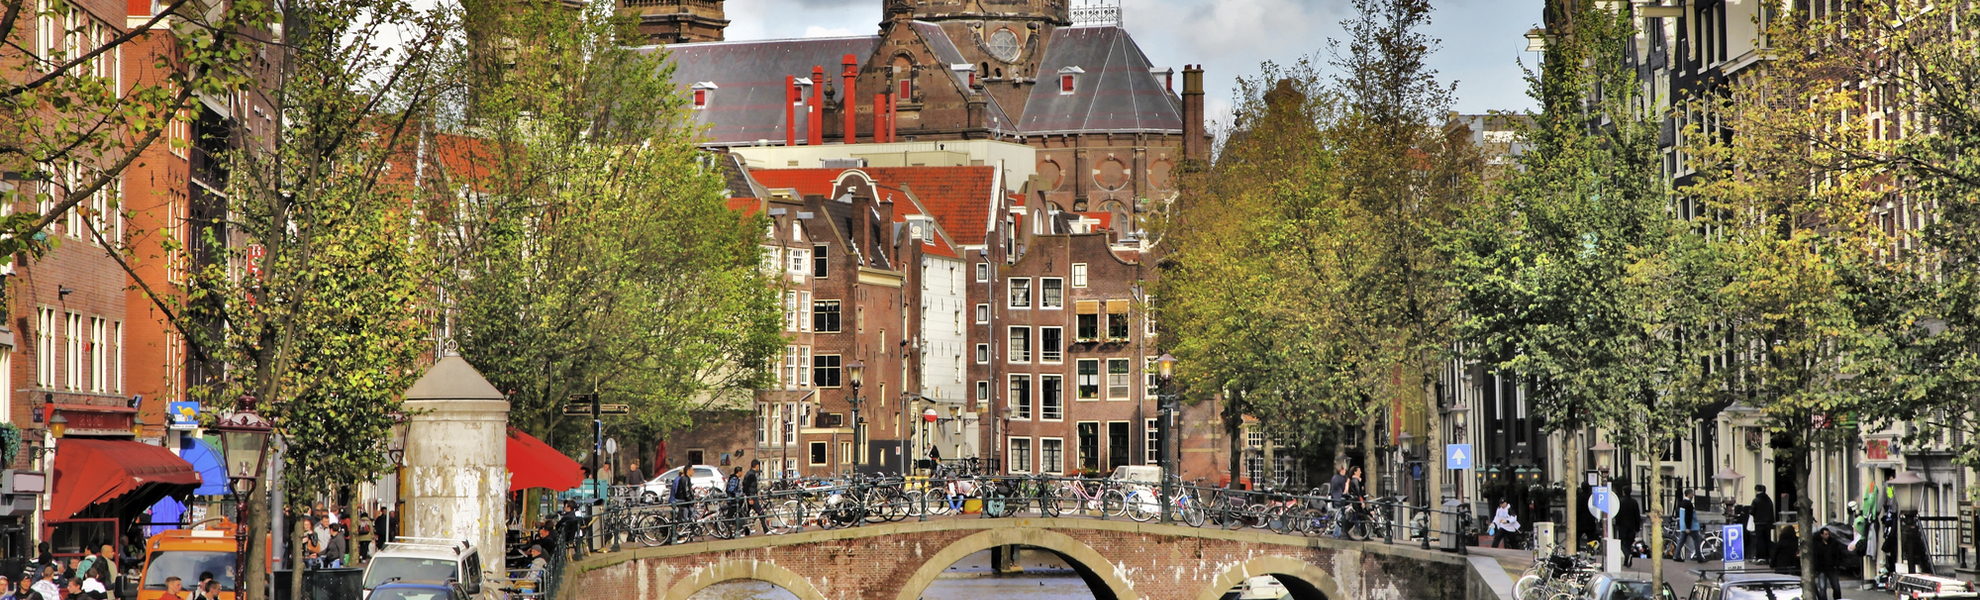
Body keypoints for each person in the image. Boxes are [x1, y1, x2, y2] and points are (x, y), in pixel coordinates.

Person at [1613, 485, 1642, 567]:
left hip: (1623, 526)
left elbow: (1618, 514)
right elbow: (1637, 515)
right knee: (1629, 543)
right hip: (1632, 526)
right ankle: (1627, 561)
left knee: (1622, 543)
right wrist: (1637, 527)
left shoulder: (1621, 502)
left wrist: (1617, 523)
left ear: (1623, 492)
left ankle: (1627, 555)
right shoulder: (1634, 502)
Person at [1674, 489, 1704, 562]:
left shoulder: (1682, 503)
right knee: (1696, 541)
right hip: (1692, 527)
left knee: (1681, 541)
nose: (1693, 495)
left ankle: (1676, 555)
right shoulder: (1689, 504)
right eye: (1692, 494)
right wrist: (1688, 527)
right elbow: (1688, 516)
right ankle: (1699, 557)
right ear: (1689, 494)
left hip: (1683, 526)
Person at [1750, 484, 1776, 564]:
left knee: (1759, 540)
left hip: (1759, 523)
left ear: (1756, 490)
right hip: (1767, 523)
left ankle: (1760, 557)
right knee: (1767, 539)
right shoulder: (1769, 500)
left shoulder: (1756, 500)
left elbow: (1751, 511)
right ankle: (1767, 556)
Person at [740, 459, 766, 536]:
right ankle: (766, 530)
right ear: (757, 466)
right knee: (761, 513)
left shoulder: (750, 473)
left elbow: (746, 485)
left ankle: (744, 531)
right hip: (752, 497)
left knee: (746, 514)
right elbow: (747, 486)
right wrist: (750, 497)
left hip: (751, 495)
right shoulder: (751, 475)